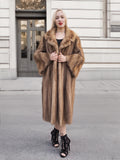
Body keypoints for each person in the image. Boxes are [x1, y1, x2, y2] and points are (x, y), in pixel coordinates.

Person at [33, 9, 85, 158]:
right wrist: (48, 56)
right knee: (55, 109)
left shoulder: (73, 37)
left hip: (66, 80)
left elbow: (81, 57)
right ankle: (58, 134)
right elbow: (37, 54)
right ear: (54, 20)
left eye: (62, 17)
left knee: (61, 109)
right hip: (50, 80)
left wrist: (67, 59)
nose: (60, 19)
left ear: (65, 19)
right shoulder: (47, 36)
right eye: (57, 17)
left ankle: (63, 137)